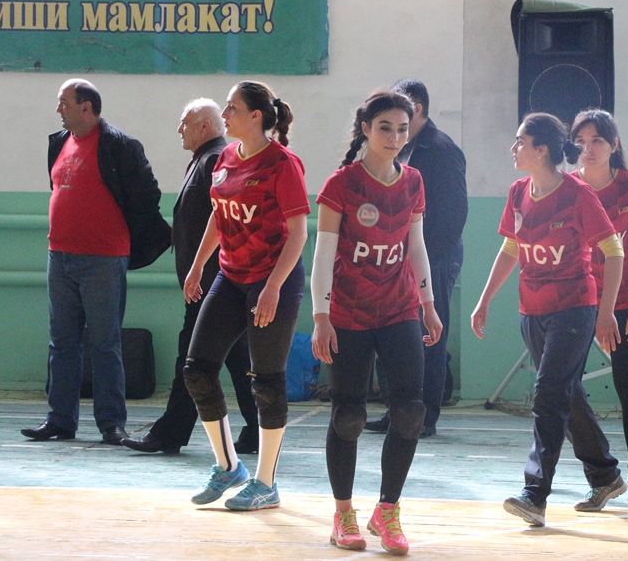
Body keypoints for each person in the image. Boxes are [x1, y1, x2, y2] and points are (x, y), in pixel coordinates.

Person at [470, 112, 625, 527]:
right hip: (532, 310)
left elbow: (614, 251)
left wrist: (606, 312)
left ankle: (534, 495)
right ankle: (606, 475)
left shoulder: (577, 194)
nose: (513, 148)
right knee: (565, 395)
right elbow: (511, 248)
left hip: (574, 308)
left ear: (541, 149)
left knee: (547, 394)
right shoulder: (518, 192)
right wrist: (485, 299)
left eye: (520, 141)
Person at [311, 91, 442, 555]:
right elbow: (323, 255)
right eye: (385, 127)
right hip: (348, 314)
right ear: (366, 129)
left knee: (410, 411)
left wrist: (428, 303)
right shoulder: (341, 184)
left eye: (402, 128)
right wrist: (321, 316)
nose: (395, 136)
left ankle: (387, 510)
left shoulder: (414, 181)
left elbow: (416, 246)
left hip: (399, 308)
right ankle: (343, 513)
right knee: (348, 415)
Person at [22, 79, 171, 445]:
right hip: (60, 256)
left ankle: (111, 423)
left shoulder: (120, 145)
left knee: (105, 344)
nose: (59, 110)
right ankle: (60, 420)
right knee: (62, 343)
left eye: (64, 102)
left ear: (86, 107)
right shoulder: (59, 142)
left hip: (104, 259)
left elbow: (147, 195)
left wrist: (125, 236)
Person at [182, 80, 309, 511]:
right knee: (197, 369)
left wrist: (273, 287)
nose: (224, 114)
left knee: (266, 382)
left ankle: (266, 482)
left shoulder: (282, 163)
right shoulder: (225, 158)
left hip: (273, 279)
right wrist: (199, 264)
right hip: (231, 276)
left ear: (256, 116)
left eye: (231, 107)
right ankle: (227, 467)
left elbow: (298, 233)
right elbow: (219, 216)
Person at [120, 100, 259, 456]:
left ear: (204, 126)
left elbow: (227, 221)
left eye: (185, 123)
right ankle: (259, 429)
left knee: (193, 360)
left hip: (213, 286)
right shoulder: (205, 159)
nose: (179, 130)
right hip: (214, 285)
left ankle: (169, 433)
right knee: (237, 359)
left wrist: (207, 275)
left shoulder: (216, 161)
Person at [365, 78, 467, 439]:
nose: (394, 129)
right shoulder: (402, 148)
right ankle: (397, 411)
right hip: (396, 258)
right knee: (394, 336)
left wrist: (425, 260)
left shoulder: (441, 149)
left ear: (417, 109)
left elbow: (454, 214)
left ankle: (424, 417)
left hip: (433, 257)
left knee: (429, 337)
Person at [570, 110, 628, 504]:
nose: (588, 149)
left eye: (597, 141)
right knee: (562, 387)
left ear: (613, 144)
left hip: (624, 303)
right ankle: (591, 469)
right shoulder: (568, 187)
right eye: (581, 141)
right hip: (578, 302)